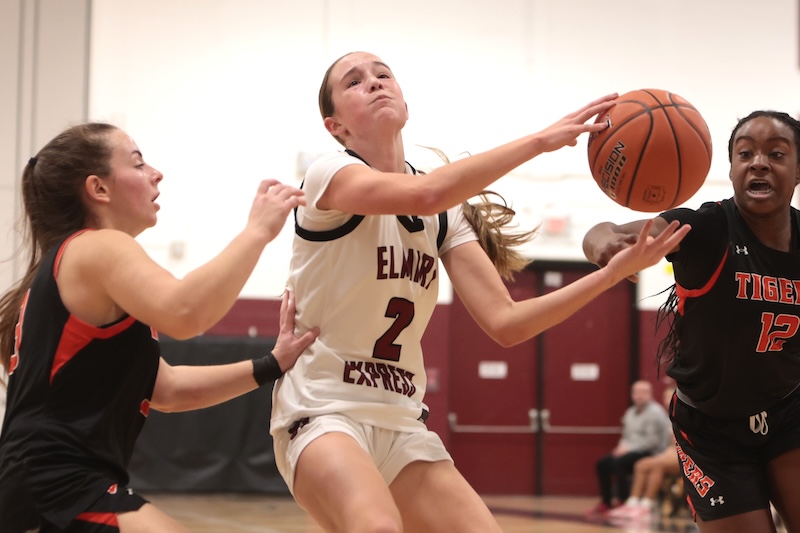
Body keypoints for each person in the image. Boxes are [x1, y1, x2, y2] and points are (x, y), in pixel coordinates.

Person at [268, 50, 690, 533]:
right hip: (323, 412)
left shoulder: (446, 215)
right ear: (336, 126)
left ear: (405, 102)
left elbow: (507, 323)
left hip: (401, 423)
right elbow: (425, 194)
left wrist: (613, 274)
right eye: (355, 81)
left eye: (383, 74)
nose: (375, 82)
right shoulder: (327, 174)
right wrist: (540, 142)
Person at [0, 123, 319, 533]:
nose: (156, 173)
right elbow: (185, 312)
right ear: (98, 188)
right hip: (54, 482)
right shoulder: (96, 246)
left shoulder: (82, 266)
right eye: (138, 163)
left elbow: (169, 390)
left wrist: (272, 363)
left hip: (45, 481)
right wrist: (258, 231)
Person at [582, 110, 800, 533]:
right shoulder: (706, 227)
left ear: (797, 170)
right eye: (745, 154)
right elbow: (602, 230)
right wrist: (607, 245)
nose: (758, 163)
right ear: (732, 170)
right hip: (711, 431)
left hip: (788, 412)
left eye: (776, 154)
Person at [588, 380, 672, 517]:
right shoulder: (630, 412)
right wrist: (621, 447)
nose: (639, 396)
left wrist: (629, 449)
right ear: (632, 394)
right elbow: (626, 436)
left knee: (620, 463)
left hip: (650, 451)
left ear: (650, 394)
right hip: (630, 449)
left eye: (643, 392)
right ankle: (606, 502)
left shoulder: (655, 413)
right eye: (636, 392)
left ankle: (624, 500)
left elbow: (652, 441)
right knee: (602, 463)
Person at [607, 386, 680, 522]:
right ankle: (633, 502)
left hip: (684, 455)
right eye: (665, 397)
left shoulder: (682, 417)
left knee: (657, 465)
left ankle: (647, 504)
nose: (667, 400)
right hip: (669, 452)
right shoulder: (668, 417)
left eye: (671, 397)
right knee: (641, 464)